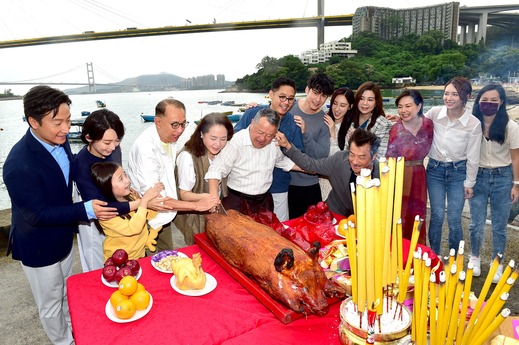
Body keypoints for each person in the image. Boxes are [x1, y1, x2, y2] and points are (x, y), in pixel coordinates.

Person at [3, 85, 117, 345]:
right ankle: (64, 342)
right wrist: (85, 209)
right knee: (51, 303)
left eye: (67, 120)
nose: (66, 128)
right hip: (38, 246)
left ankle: (71, 330)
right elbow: (36, 215)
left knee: (66, 291)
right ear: (33, 121)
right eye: (57, 122)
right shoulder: (18, 164)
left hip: (64, 238)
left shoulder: (59, 142)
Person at [128, 98, 219, 253]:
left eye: (183, 124)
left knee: (166, 255)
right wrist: (197, 206)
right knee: (150, 262)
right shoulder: (146, 150)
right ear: (158, 122)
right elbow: (158, 201)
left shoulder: (168, 137)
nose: (180, 130)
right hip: (147, 218)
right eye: (175, 124)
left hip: (164, 217)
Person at [71, 109, 138, 271]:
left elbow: (118, 177)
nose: (113, 147)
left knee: (123, 258)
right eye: (107, 142)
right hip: (95, 220)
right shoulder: (82, 165)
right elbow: (101, 207)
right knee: (98, 262)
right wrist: (141, 203)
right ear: (89, 138)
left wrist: (130, 191)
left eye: (116, 141)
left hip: (120, 211)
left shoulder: (114, 149)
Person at [425, 76, 482, 256]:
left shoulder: (473, 124)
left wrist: (469, 184)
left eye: (454, 94)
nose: (448, 98)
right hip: (434, 170)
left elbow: (473, 158)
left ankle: (454, 258)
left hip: (459, 172)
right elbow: (417, 126)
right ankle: (434, 257)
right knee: (437, 215)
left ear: (466, 96)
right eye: (446, 93)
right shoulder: (435, 113)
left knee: (454, 218)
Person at [468, 84, 519, 282]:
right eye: (485, 100)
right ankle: (475, 258)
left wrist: (516, 184)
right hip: (478, 176)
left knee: (499, 224)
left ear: (502, 103)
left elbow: (516, 157)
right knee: (476, 223)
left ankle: (497, 262)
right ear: (478, 101)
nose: (488, 104)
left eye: (494, 101)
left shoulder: (510, 126)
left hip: (503, 177)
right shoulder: (472, 124)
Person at [205, 108, 301, 213]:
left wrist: (312, 168)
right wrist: (213, 201)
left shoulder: (273, 143)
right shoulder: (236, 142)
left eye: (269, 135)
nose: (262, 138)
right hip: (237, 201)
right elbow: (216, 170)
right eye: (260, 132)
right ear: (252, 123)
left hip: (264, 201)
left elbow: (283, 162)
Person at [234, 77, 303, 221]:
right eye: (282, 97)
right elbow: (232, 142)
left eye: (290, 99)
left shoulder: (293, 124)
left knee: (279, 230)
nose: (286, 103)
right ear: (271, 94)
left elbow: (298, 156)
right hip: (246, 189)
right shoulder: (252, 114)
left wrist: (286, 145)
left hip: (278, 187)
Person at [276, 127, 380, 217]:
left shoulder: (384, 175)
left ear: (374, 156)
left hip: (367, 223)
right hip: (334, 215)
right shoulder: (339, 159)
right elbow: (311, 165)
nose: (355, 161)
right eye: (352, 154)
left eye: (361, 157)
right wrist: (288, 146)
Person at [174, 113, 234, 245]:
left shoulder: (224, 152)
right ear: (201, 134)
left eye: (223, 139)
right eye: (213, 138)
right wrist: (207, 198)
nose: (218, 144)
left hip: (214, 212)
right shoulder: (187, 157)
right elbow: (183, 194)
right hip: (193, 215)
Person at [386, 90, 433, 245]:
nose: (403, 110)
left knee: (418, 213)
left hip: (420, 174)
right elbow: (389, 156)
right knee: (400, 213)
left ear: (419, 106)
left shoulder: (428, 125)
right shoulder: (395, 129)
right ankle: (399, 249)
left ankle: (418, 250)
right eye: (400, 107)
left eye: (408, 106)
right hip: (399, 173)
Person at [91, 162, 164, 260]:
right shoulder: (106, 213)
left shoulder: (131, 197)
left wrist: (155, 202)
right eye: (121, 179)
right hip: (119, 260)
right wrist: (144, 200)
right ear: (107, 187)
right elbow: (134, 229)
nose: (128, 180)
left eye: (125, 174)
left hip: (140, 254)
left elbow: (147, 215)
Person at [289, 73, 335, 218]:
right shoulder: (290, 108)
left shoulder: (323, 120)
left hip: (309, 185)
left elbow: (321, 155)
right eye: (315, 93)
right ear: (307, 89)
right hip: (284, 183)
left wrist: (305, 133)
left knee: (312, 231)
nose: (318, 99)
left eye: (323, 96)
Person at [320, 87, 355, 200]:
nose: (337, 109)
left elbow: (339, 163)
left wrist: (333, 134)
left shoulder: (350, 132)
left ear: (350, 107)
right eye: (335, 103)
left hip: (336, 185)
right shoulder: (322, 119)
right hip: (317, 179)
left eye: (343, 105)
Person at [343, 81, 394, 156]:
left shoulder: (382, 124)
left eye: (370, 100)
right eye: (362, 98)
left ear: (376, 103)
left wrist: (357, 139)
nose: (365, 103)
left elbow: (380, 156)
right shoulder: (349, 119)